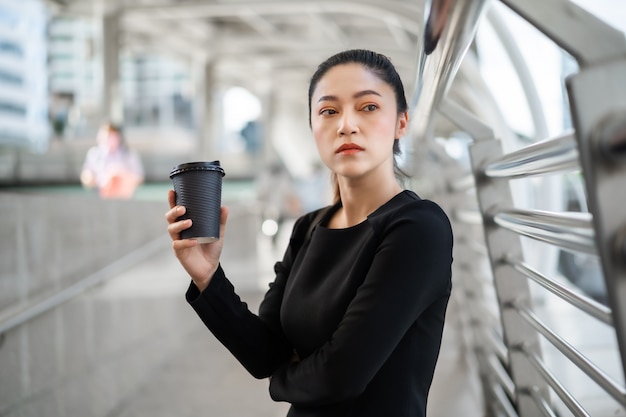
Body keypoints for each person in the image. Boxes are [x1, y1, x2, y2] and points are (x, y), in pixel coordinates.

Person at [165, 49, 453, 417]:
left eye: (368, 107)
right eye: (329, 111)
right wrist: (207, 276)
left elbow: (341, 376)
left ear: (401, 123)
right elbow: (265, 353)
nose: (346, 124)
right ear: (314, 128)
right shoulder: (309, 227)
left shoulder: (418, 227)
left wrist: (280, 381)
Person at [80, 122, 144, 199]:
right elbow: (86, 176)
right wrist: (91, 179)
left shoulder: (129, 154)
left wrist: (121, 178)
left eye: (113, 135)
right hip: (101, 197)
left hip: (124, 198)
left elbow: (139, 177)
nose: (110, 139)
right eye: (107, 135)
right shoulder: (94, 154)